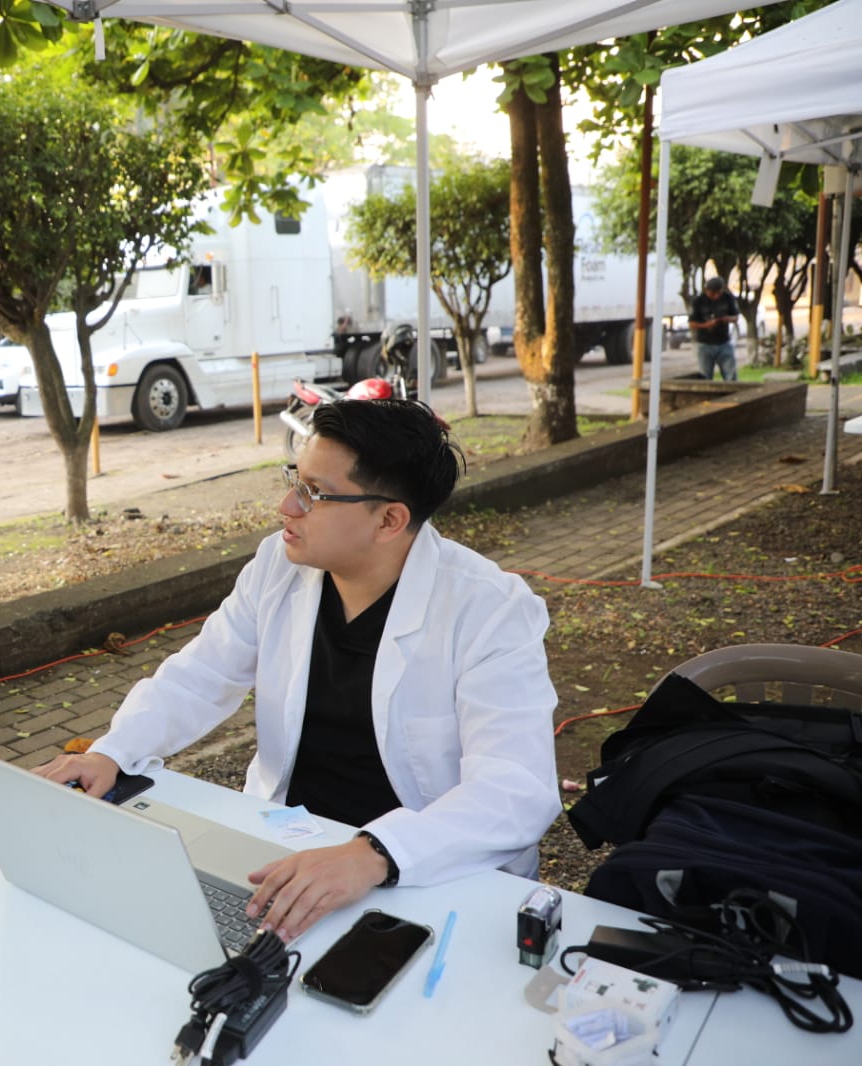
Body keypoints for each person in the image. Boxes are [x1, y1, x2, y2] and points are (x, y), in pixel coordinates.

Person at [36, 398, 560, 942]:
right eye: (294, 480)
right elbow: (200, 675)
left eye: (314, 492)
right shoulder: (278, 565)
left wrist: (376, 853)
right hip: (286, 845)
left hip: (427, 870)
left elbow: (515, 788)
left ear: (389, 520)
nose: (287, 506)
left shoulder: (489, 609)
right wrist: (111, 752)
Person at [688, 276, 740, 381]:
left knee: (730, 375)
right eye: (712, 293)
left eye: (718, 293)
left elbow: (735, 316)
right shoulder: (698, 301)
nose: (715, 296)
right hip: (705, 343)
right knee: (705, 376)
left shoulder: (727, 298)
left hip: (724, 342)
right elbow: (692, 323)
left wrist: (727, 319)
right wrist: (707, 325)